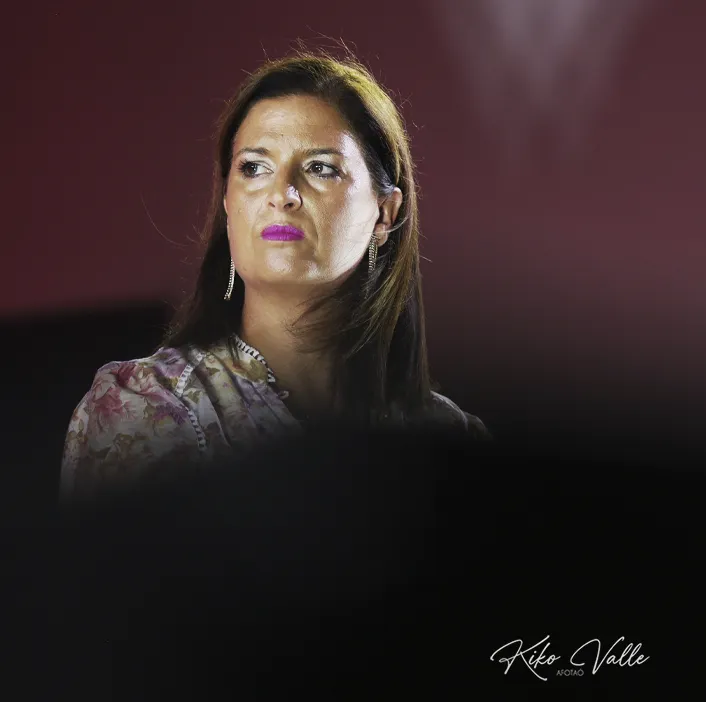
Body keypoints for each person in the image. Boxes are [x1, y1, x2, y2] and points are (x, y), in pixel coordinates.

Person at [60, 52, 487, 503]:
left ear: (385, 214)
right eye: (253, 168)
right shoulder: (145, 411)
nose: (282, 194)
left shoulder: (452, 442)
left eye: (320, 168)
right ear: (228, 204)